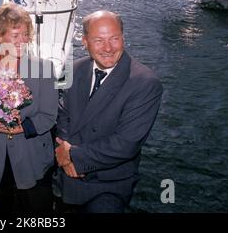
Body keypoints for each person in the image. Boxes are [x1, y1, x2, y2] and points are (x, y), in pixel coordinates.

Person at [55, 11, 163, 213]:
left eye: (114, 39)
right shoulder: (72, 69)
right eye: (98, 40)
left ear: (123, 38)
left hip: (107, 188)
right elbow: (62, 115)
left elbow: (125, 144)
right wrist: (65, 153)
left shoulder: (145, 83)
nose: (108, 48)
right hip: (67, 179)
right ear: (85, 41)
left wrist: (74, 157)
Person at [0, 3, 58, 213]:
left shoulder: (44, 68)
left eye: (25, 35)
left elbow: (49, 116)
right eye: (16, 36)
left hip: (31, 157)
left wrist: (21, 128)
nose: (22, 41)